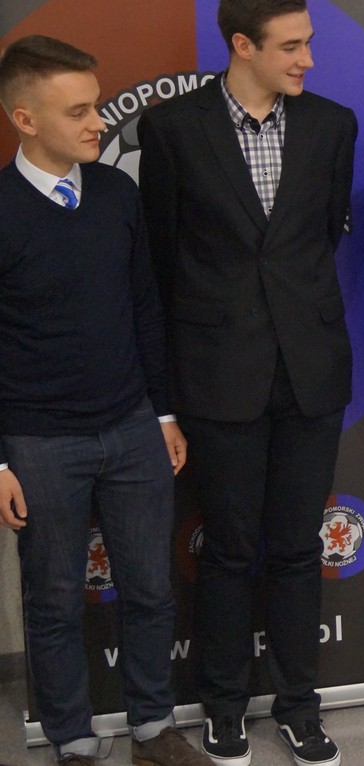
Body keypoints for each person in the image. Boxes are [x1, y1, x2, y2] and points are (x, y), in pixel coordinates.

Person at [137, 1, 357, 763]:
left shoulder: (332, 126)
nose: (307, 60)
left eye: (309, 43)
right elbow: (162, 257)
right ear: (242, 45)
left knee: (297, 548)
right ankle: (223, 706)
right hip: (217, 374)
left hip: (310, 372)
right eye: (291, 46)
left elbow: (321, 236)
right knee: (229, 551)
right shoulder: (172, 129)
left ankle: (300, 707)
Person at [0, 35, 209, 766]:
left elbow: (146, 307)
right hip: (38, 444)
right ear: (25, 119)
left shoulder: (119, 194)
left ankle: (153, 729)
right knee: (54, 601)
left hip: (132, 429)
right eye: (79, 111)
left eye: (96, 106)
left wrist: (164, 413)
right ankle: (73, 742)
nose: (98, 123)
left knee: (151, 588)